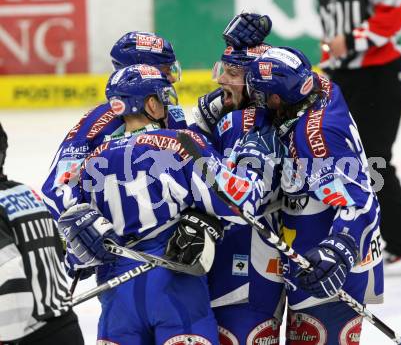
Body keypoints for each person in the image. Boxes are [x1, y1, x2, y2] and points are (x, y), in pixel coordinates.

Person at [58, 64, 282, 344]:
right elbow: (238, 203)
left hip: (116, 296)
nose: (166, 107)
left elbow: (75, 246)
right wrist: (255, 163)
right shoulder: (180, 143)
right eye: (162, 100)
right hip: (175, 286)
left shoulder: (92, 161)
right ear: (151, 103)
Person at [246, 47, 384, 344]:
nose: (255, 101)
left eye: (259, 94)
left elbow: (360, 201)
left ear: (277, 98)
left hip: (326, 265)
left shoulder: (313, 137)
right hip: (306, 255)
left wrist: (339, 248)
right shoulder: (321, 87)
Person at [187, 40, 286, 343]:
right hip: (243, 263)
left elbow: (230, 196)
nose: (220, 80)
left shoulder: (249, 123)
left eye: (232, 72)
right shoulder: (245, 116)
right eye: (222, 69)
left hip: (248, 268)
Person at [317, 0, 401, 275]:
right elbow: (336, 26)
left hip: (377, 75)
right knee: (342, 159)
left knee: (375, 160)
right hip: (345, 75)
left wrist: (351, 41)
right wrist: (330, 60)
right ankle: (358, 239)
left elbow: (394, 14)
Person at [42, 31, 185, 223]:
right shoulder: (98, 122)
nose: (173, 78)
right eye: (167, 71)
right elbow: (59, 189)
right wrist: (90, 229)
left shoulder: (169, 108)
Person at [0, 124, 84, 345]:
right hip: (67, 327)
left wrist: (7, 337)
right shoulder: (25, 193)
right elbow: (57, 251)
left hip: (26, 335)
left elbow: (9, 276)